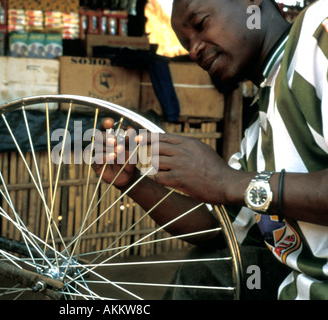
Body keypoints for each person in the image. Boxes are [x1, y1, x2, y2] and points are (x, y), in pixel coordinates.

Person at [93, 0, 328, 300]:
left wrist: (229, 182)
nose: (194, 51)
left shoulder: (318, 33)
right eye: (187, 43)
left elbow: (234, 188)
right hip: (295, 287)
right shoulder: (260, 126)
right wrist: (134, 182)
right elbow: (220, 226)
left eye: (201, 24)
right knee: (208, 270)